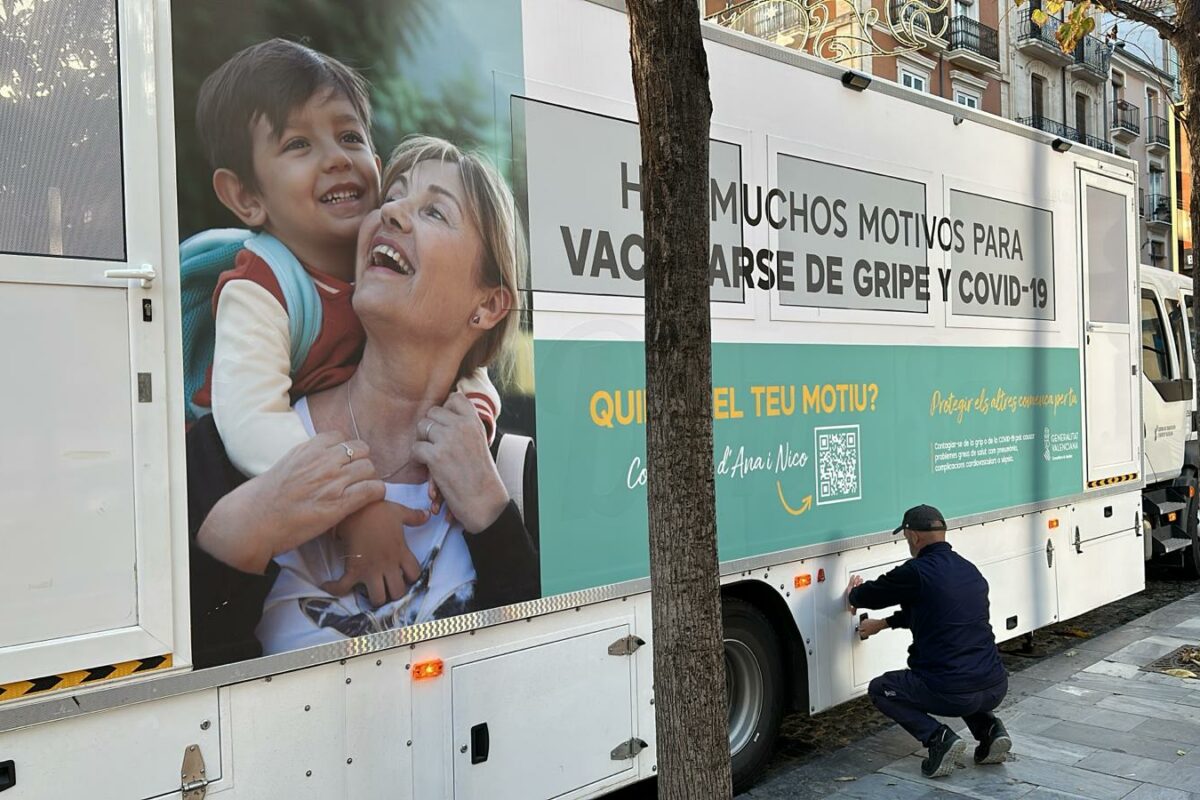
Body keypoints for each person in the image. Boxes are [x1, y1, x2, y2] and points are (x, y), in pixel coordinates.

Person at [189, 135, 539, 662]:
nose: (392, 211)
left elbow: (545, 684)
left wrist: (491, 516)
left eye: (435, 212)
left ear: (488, 305)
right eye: (392, 195)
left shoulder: (514, 473)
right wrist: (244, 531)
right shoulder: (226, 454)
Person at [189, 39, 503, 604]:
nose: (336, 157)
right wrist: (355, 505)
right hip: (245, 476)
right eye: (298, 144)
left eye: (351, 137)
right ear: (245, 196)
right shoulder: (261, 287)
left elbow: (468, 369)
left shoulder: (380, 275)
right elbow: (250, 419)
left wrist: (474, 416)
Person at [847, 504, 1010, 778]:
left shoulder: (916, 572)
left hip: (952, 691)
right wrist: (880, 625)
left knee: (881, 688)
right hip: (994, 685)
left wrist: (854, 594)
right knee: (963, 674)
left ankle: (939, 738)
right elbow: (927, 612)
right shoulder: (969, 570)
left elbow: (871, 595)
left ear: (913, 536)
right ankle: (991, 731)